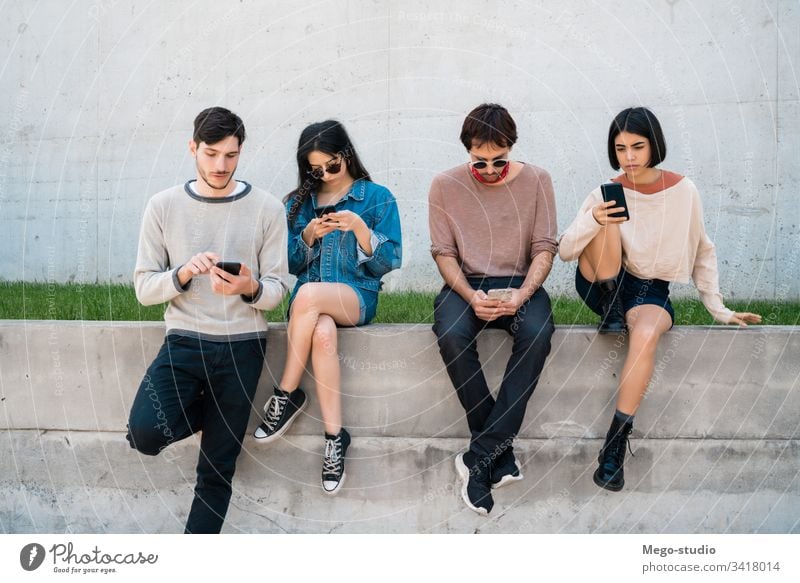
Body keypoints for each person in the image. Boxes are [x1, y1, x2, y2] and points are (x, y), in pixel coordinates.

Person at [559, 106, 761, 492]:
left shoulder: (684, 191)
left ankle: (614, 446)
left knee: (648, 331)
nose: (629, 157)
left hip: (651, 290)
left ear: (655, 145)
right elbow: (567, 249)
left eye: (637, 147)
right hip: (603, 279)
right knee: (609, 213)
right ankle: (613, 310)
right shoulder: (608, 188)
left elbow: (703, 249)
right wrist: (594, 219)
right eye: (620, 149)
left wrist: (718, 308)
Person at [126, 107, 289, 533]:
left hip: (243, 347)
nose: (220, 165)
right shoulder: (162, 206)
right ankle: (213, 414)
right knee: (144, 432)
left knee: (217, 470)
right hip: (184, 341)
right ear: (192, 148)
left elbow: (278, 290)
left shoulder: (268, 208)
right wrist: (181, 273)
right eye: (211, 154)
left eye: (231, 156)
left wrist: (249, 288)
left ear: (240, 152)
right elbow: (144, 289)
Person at [252, 120, 402, 495]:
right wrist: (306, 236)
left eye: (331, 165)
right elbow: (285, 263)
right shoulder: (297, 203)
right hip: (311, 309)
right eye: (315, 170)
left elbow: (391, 259)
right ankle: (335, 437)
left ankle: (285, 395)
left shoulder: (377, 197)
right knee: (321, 331)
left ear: (346, 155)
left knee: (308, 296)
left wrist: (360, 230)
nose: (324, 175)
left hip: (357, 296)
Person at [428, 103, 558, 515]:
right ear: (467, 152)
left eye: (498, 161)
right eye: (478, 162)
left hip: (521, 284)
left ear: (512, 148)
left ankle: (477, 457)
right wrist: (469, 295)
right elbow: (443, 253)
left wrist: (521, 295)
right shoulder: (444, 185)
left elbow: (544, 248)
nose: (488, 170)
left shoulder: (537, 180)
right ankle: (497, 454)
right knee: (451, 333)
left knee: (537, 333)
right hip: (467, 284)